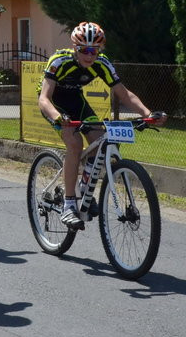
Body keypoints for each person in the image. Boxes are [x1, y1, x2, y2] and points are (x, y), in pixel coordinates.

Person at [37, 21, 166, 229]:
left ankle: (83, 188)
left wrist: (147, 114)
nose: (90, 56)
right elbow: (44, 98)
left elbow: (124, 94)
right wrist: (59, 117)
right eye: (84, 50)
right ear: (75, 48)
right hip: (55, 103)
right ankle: (70, 203)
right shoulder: (59, 61)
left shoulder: (102, 63)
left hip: (76, 101)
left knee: (100, 142)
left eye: (94, 51)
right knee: (74, 143)